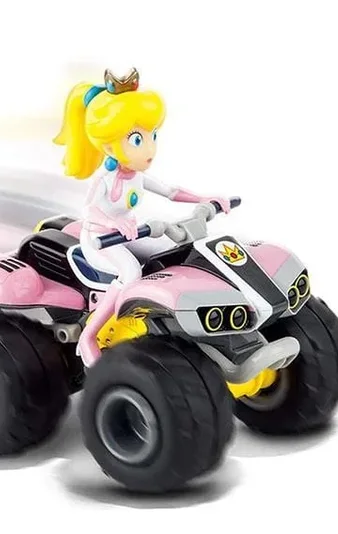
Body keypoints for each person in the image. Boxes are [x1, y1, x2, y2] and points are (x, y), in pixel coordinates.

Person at [54, 67, 231, 367]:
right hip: (99, 240)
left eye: (153, 136)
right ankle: (91, 335)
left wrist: (204, 198)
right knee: (131, 272)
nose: (150, 148)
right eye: (137, 139)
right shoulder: (105, 178)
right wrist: (112, 223)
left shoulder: (136, 174)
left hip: (127, 234)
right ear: (108, 144)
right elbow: (89, 212)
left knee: (172, 255)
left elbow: (171, 191)